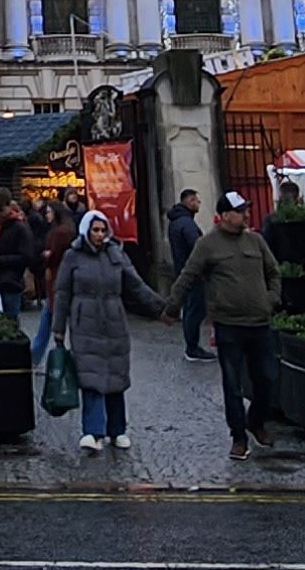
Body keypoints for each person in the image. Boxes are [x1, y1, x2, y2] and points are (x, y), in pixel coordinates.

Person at [170, 188, 285, 461]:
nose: (246, 214)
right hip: (228, 325)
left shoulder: (256, 241)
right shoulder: (208, 244)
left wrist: (271, 299)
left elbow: (273, 272)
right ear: (224, 215)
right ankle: (239, 437)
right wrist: (172, 307)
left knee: (267, 378)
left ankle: (256, 421)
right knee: (232, 384)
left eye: (245, 209)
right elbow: (188, 275)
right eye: (240, 210)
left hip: (259, 323)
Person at [48, 208, 165, 453]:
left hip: (114, 321)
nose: (100, 235)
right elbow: (62, 292)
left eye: (103, 230)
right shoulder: (73, 256)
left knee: (116, 377)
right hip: (85, 323)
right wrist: (58, 328)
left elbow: (135, 285)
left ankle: (117, 430)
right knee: (90, 378)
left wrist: (160, 308)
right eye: (95, 230)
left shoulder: (116, 254)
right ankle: (93, 431)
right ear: (86, 231)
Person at [167, 190, 209, 360]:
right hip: (193, 274)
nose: (198, 204)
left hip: (182, 270)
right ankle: (193, 347)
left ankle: (192, 345)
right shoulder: (187, 224)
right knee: (195, 309)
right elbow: (197, 247)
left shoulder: (177, 222)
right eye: (196, 201)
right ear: (190, 201)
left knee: (190, 309)